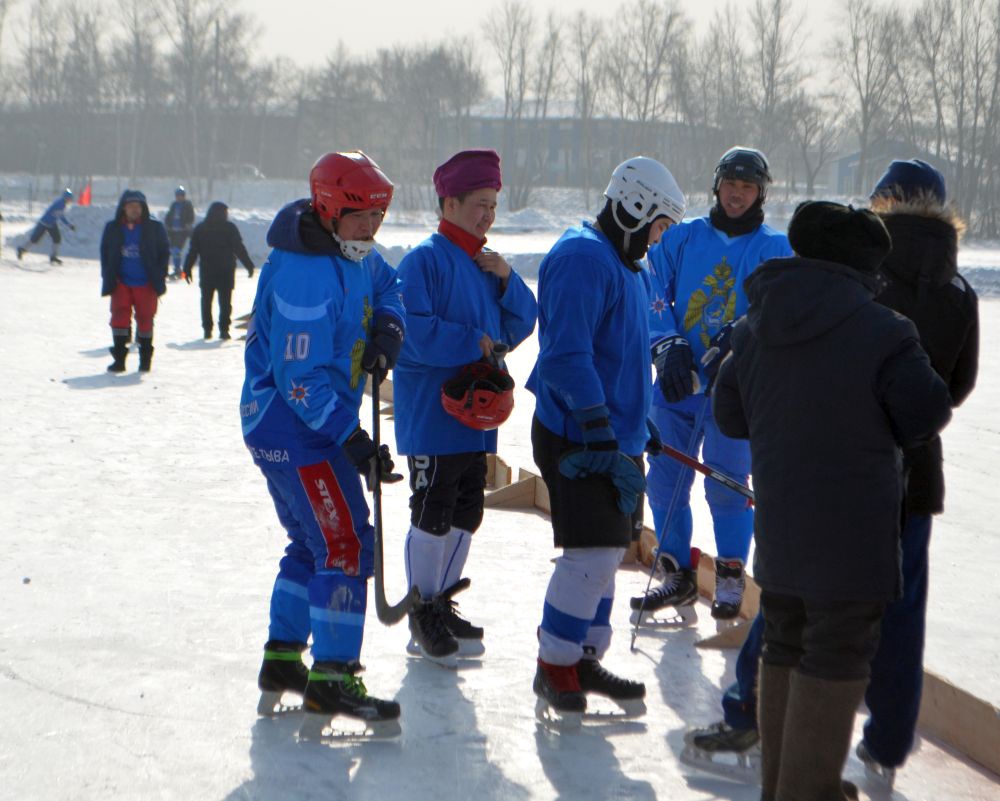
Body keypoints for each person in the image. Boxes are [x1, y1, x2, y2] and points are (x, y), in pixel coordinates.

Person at [677, 161, 981, 790]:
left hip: (795, 493)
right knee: (880, 621)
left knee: (789, 624)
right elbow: (940, 399)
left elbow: (733, 409)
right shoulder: (947, 296)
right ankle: (871, 750)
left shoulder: (775, 313)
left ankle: (774, 758)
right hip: (895, 486)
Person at [241, 151, 406, 736]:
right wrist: (354, 440)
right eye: (361, 216)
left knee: (311, 544)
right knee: (344, 544)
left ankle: (284, 661)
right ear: (331, 208)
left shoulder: (350, 253)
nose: (371, 228)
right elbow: (299, 380)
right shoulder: (306, 275)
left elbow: (389, 282)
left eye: (378, 217)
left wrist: (387, 328)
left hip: (297, 426)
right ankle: (333, 678)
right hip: (297, 426)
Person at [528, 156, 686, 720]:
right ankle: (555, 665)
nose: (659, 238)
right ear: (635, 206)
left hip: (612, 436)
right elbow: (566, 355)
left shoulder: (629, 266)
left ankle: (585, 657)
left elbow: (624, 355)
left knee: (609, 553)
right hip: (577, 435)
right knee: (589, 555)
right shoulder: (581, 259)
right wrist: (597, 426)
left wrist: (637, 420)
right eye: (659, 224)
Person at [632, 147, 792, 623]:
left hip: (736, 395)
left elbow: (780, 310)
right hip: (678, 385)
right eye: (730, 184)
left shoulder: (774, 249)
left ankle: (728, 576)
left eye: (747, 186)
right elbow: (650, 289)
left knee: (727, 485)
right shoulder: (679, 239)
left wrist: (742, 339)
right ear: (717, 186)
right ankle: (677, 573)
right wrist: (665, 343)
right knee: (663, 481)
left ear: (760, 192)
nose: (737, 193)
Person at [392, 149, 538, 666]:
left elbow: (520, 325)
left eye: (494, 206)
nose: (488, 215)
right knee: (431, 511)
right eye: (479, 204)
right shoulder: (423, 261)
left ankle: (442, 600)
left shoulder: (485, 266)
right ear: (448, 202)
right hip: (434, 416)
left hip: (477, 419)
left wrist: (507, 280)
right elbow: (412, 334)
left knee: (467, 511)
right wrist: (470, 341)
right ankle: (421, 609)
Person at [99, 190, 170, 373]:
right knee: (119, 320)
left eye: (137, 207)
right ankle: (119, 361)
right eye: (130, 207)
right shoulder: (113, 228)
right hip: (120, 283)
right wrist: (108, 275)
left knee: (145, 320)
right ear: (123, 208)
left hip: (146, 284)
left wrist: (160, 274)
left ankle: (145, 360)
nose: (134, 210)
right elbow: (105, 253)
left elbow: (164, 252)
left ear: (143, 208)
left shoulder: (154, 227)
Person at [182, 201, 256, 340]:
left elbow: (192, 252)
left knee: (206, 301)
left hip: (207, 271)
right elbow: (239, 248)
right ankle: (224, 330)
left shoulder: (201, 228)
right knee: (225, 301)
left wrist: (186, 270)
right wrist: (249, 265)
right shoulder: (229, 228)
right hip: (226, 272)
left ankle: (207, 329)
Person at [18, 188, 76, 264]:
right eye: (70, 198)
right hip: (44, 223)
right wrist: (69, 225)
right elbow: (57, 215)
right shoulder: (60, 204)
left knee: (57, 238)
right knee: (35, 239)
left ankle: (53, 257)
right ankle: (22, 249)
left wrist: (69, 225)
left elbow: (60, 216)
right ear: (66, 198)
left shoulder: (62, 203)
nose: (70, 200)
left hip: (51, 224)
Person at [166, 186, 195, 278]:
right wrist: (167, 224)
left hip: (182, 232)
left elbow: (191, 216)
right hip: (173, 231)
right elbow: (169, 215)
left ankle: (179, 271)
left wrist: (187, 224)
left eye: (181, 195)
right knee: (172, 250)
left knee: (176, 250)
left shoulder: (187, 205)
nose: (179, 197)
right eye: (177, 195)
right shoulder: (174, 205)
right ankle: (178, 269)